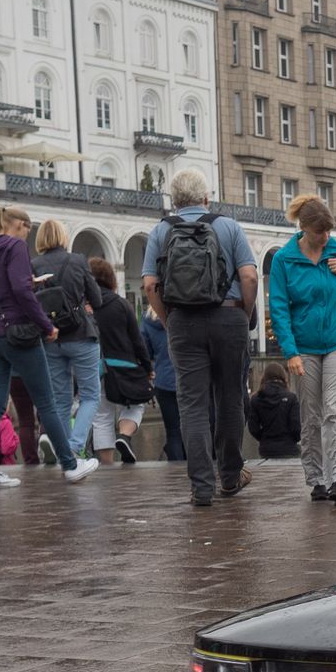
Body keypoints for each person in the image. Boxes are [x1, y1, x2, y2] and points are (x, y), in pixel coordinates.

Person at [142, 168, 259, 508]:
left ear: (174, 201)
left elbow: (150, 285)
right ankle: (231, 476)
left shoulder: (160, 231)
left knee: (192, 404)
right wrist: (243, 313)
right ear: (207, 198)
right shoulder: (228, 226)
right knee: (230, 397)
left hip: (183, 322)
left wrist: (168, 320)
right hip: (229, 316)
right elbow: (249, 276)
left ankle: (201, 487)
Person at [0, 204, 95, 489]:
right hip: (18, 333)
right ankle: (70, 464)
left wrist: (24, 283)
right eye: (27, 229)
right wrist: (46, 325)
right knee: (47, 402)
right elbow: (21, 292)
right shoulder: (14, 246)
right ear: (19, 225)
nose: (27, 236)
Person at [267, 194, 336, 506]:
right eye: (320, 232)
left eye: (329, 230)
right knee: (311, 414)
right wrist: (290, 352)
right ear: (304, 228)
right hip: (304, 346)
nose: (326, 237)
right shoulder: (284, 259)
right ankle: (317, 479)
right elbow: (279, 308)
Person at [31, 219, 102, 465]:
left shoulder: (34, 265)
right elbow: (97, 299)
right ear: (63, 236)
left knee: (59, 398)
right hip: (81, 334)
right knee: (91, 396)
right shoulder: (78, 261)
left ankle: (61, 448)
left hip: (51, 338)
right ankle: (73, 447)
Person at [87, 257, 154, 464]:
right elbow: (137, 340)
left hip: (96, 368)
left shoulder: (85, 305)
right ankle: (124, 435)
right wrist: (147, 366)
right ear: (110, 278)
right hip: (124, 366)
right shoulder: (121, 304)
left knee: (101, 417)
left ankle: (106, 465)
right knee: (136, 403)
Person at [140, 306, 183, 462]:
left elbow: (145, 350)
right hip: (190, 377)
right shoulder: (185, 312)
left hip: (164, 380)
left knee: (173, 430)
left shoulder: (148, 319)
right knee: (196, 425)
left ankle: (177, 467)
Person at [246, 360, 302, 460]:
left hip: (266, 449)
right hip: (289, 449)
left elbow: (253, 428)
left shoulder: (255, 399)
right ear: (283, 377)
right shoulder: (291, 398)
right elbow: (296, 427)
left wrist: (263, 438)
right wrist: (293, 440)